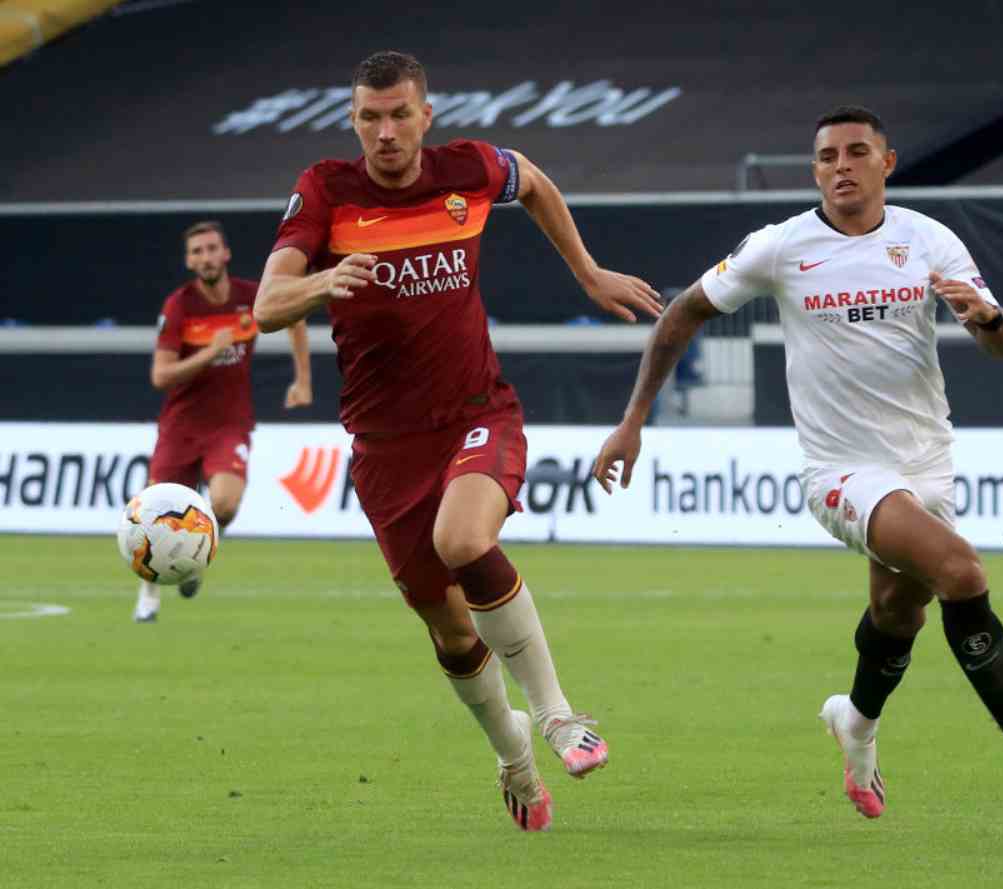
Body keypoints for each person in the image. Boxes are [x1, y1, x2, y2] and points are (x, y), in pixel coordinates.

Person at [592, 105, 1003, 818]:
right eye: (827, 157)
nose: (840, 167)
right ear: (815, 170)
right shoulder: (781, 246)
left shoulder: (927, 239)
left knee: (899, 614)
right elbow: (682, 315)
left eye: (857, 152)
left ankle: (855, 723)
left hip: (927, 461)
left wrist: (985, 319)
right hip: (839, 470)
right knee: (962, 571)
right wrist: (633, 420)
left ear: (886, 163)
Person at [253, 50, 662, 832]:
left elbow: (533, 180)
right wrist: (320, 283)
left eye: (400, 113)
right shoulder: (325, 191)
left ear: (425, 115)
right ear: (353, 120)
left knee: (464, 538)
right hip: (383, 446)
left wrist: (586, 271)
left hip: (480, 412)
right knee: (448, 626)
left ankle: (558, 716)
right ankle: (513, 756)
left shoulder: (468, 169)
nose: (385, 131)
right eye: (370, 117)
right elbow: (268, 303)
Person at [136, 220, 312, 623]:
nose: (206, 256)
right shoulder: (179, 306)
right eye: (197, 251)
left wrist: (302, 380)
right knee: (153, 516)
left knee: (227, 505)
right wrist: (208, 354)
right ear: (189, 261)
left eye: (212, 248)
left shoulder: (251, 297)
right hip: (180, 427)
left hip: (229, 424)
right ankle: (148, 593)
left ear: (226, 253)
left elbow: (296, 317)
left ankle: (194, 559)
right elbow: (161, 377)